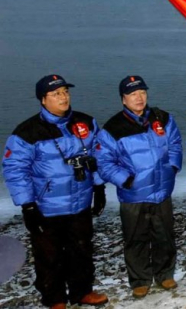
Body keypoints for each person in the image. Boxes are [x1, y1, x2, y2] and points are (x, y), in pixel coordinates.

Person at [2, 74, 108, 309]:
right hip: (46, 206)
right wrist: (28, 205)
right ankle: (55, 299)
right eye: (56, 94)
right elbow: (14, 169)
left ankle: (82, 292)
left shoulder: (85, 122)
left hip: (80, 201)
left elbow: (98, 155)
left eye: (66, 92)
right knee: (49, 256)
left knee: (81, 249)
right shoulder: (27, 132)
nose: (63, 97)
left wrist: (99, 186)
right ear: (43, 99)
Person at [96, 75, 182, 299]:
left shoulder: (162, 118)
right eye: (133, 94)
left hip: (162, 190)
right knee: (135, 238)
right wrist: (126, 180)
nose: (139, 98)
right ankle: (140, 280)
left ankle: (165, 274)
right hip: (133, 194)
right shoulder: (113, 128)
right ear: (123, 99)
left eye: (142, 92)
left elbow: (175, 143)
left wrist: (172, 167)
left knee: (164, 235)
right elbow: (104, 162)